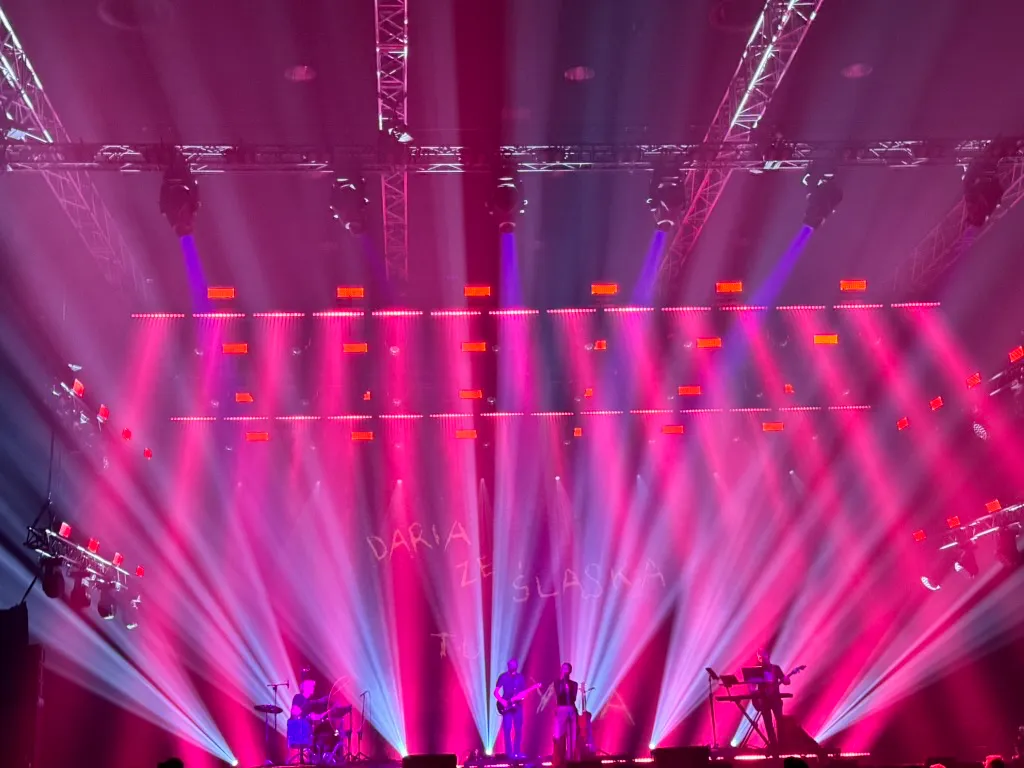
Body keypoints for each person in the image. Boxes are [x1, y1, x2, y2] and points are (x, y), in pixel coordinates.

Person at [750, 647, 791, 752]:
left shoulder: (775, 668)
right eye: (759, 656)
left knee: (779, 721)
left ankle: (782, 745)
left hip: (776, 699)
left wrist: (787, 680)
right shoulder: (757, 670)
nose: (760, 657)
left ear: (767, 655)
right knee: (768, 723)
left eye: (762, 655)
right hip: (764, 700)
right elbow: (752, 685)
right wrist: (753, 693)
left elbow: (785, 681)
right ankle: (773, 745)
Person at [289, 674, 328, 762]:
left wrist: (328, 712)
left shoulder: (309, 702)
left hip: (306, 730)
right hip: (297, 729)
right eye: (312, 687)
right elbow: (294, 712)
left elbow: (314, 717)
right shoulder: (298, 697)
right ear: (306, 688)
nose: (314, 688)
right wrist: (315, 702)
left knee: (321, 736)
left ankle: (319, 759)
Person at [494, 658, 527, 758]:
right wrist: (502, 701)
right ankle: (509, 753)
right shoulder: (503, 677)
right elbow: (496, 692)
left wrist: (521, 697)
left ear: (517, 666)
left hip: (518, 706)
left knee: (518, 730)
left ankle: (517, 752)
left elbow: (524, 693)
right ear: (508, 666)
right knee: (507, 730)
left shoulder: (520, 677)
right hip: (507, 707)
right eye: (511, 665)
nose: (513, 666)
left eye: (514, 664)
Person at [552, 662, 579, 766]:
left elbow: (573, 698)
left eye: (567, 668)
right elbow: (559, 695)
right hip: (561, 709)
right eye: (563, 668)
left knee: (572, 734)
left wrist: (569, 689)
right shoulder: (557, 683)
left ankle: (570, 758)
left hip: (571, 708)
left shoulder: (574, 684)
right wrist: (564, 686)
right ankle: (559, 759)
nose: (565, 670)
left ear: (570, 670)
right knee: (559, 734)